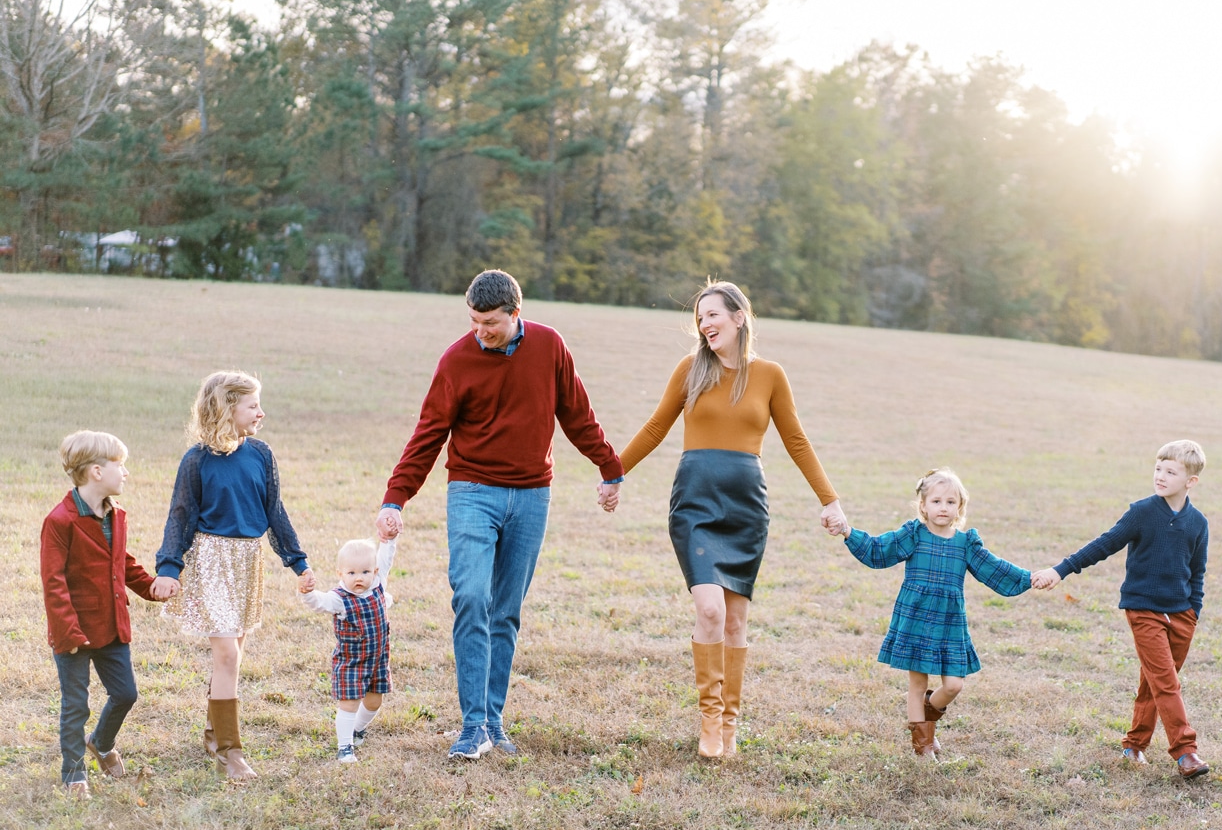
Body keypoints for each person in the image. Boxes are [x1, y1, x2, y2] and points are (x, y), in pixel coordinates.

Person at [376, 269, 624, 761]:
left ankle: (493, 720)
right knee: (471, 596)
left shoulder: (550, 346)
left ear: (516, 313)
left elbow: (576, 413)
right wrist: (394, 498)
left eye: (490, 322)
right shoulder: (457, 360)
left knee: (505, 612)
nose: (480, 331)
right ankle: (472, 727)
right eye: (473, 321)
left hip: (532, 495)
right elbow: (428, 435)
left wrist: (609, 467)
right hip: (472, 490)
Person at [619, 280, 846, 759]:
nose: (705, 325)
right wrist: (613, 472)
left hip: (746, 505)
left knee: (737, 621)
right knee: (710, 610)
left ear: (739, 318)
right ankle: (708, 719)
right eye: (700, 318)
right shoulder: (690, 370)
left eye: (713, 316)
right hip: (696, 500)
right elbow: (658, 425)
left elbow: (797, 441)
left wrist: (830, 500)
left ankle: (728, 725)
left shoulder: (769, 375)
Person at [152, 371, 316, 781]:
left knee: (234, 654)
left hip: (248, 562)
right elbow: (180, 516)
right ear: (227, 409)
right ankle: (230, 752)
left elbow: (275, 512)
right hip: (211, 562)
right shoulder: (196, 461)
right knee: (226, 654)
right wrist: (169, 568)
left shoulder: (260, 454)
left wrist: (298, 562)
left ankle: (213, 733)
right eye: (252, 406)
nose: (261, 412)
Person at [1032, 440, 1210, 779]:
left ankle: (1134, 744)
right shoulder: (1141, 513)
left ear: (1191, 481)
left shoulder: (1198, 523)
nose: (1160, 476)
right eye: (1158, 468)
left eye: (1171, 472)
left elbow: (1197, 571)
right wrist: (1060, 570)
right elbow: (1104, 544)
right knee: (1167, 683)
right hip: (1143, 609)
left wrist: (1193, 612)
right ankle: (1186, 752)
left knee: (1155, 683)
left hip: (1182, 614)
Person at [829, 467, 1032, 760]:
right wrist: (847, 531)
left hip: (949, 621)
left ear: (959, 507)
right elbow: (877, 551)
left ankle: (923, 720)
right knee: (918, 682)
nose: (943, 508)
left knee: (953, 684)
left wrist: (1030, 578)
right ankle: (923, 747)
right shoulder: (914, 535)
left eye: (951, 502)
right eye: (936, 501)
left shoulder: (966, 544)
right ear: (923, 505)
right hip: (916, 616)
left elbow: (995, 570)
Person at [40, 431, 163, 798]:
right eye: (119, 465)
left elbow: (120, 562)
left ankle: (102, 743)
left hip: (111, 628)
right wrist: (70, 632)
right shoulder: (60, 521)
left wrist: (152, 587)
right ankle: (73, 774)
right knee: (76, 704)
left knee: (125, 694)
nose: (125, 473)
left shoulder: (116, 514)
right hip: (74, 633)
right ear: (96, 471)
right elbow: (53, 582)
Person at [298, 536, 398, 764]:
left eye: (364, 572)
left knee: (374, 701)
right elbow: (319, 603)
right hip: (352, 662)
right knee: (349, 703)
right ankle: (345, 747)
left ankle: (357, 730)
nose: (359, 578)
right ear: (340, 574)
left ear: (374, 571)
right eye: (351, 573)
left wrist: (389, 540)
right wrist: (307, 593)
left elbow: (386, 558)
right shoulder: (339, 598)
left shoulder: (378, 586)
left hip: (378, 660)